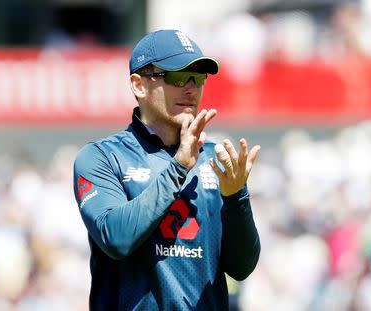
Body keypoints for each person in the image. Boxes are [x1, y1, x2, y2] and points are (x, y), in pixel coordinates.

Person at [73, 29, 261, 310]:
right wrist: (179, 168)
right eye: (176, 76)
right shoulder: (102, 157)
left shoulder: (215, 159)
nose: (190, 88)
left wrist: (236, 197)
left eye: (198, 78)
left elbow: (241, 267)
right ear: (138, 85)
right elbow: (116, 238)